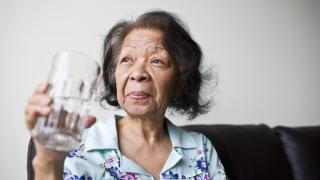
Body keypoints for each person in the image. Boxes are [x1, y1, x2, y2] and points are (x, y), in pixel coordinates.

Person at [25, 10, 227, 180]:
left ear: (179, 81)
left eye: (156, 61)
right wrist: (48, 161)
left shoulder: (201, 148)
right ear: (115, 77)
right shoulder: (74, 144)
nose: (138, 73)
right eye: (127, 60)